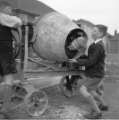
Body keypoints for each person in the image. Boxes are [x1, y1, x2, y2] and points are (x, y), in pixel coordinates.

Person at [68, 25, 108, 119]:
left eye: (95, 31)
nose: (92, 32)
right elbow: (91, 59)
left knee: (83, 89)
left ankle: (97, 113)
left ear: (101, 34)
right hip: (97, 72)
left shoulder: (98, 46)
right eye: (92, 30)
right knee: (91, 90)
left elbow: (91, 61)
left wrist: (77, 61)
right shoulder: (96, 44)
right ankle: (103, 105)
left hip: (95, 74)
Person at [0, 1, 25, 86]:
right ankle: (6, 98)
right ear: (5, 9)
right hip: (4, 50)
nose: (11, 11)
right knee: (8, 74)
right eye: (10, 9)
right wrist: (20, 20)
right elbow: (18, 22)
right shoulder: (3, 16)